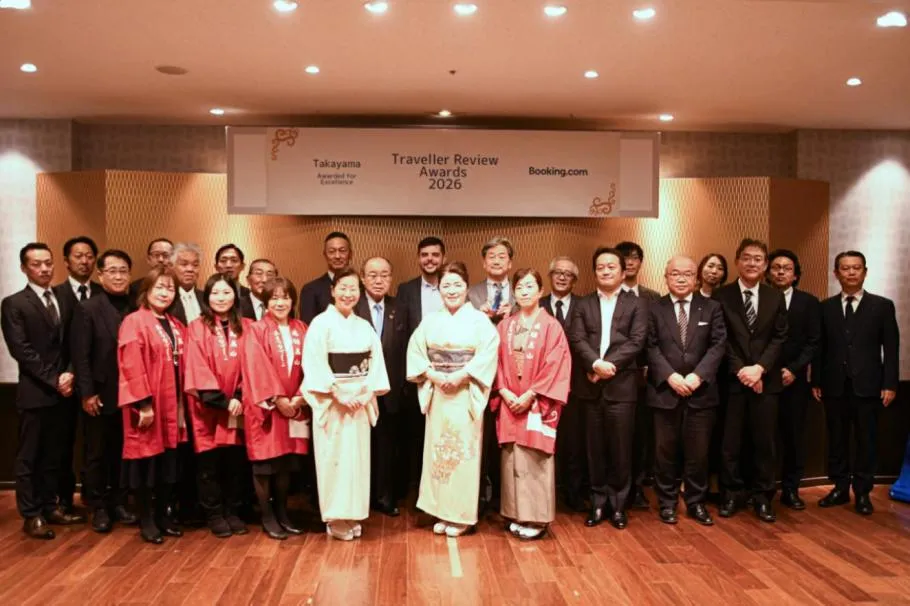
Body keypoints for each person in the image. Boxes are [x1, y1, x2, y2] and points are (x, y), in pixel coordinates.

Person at [407, 262, 500, 537]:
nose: (451, 290)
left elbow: (487, 355)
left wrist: (461, 375)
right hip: (439, 394)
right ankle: (441, 511)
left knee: (462, 454)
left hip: (464, 394)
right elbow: (416, 352)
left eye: (457, 284)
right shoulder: (430, 321)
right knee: (439, 454)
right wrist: (434, 376)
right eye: (446, 285)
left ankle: (461, 515)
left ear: (467, 287)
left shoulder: (480, 322)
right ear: (439, 289)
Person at [1, 243, 84, 539]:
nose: (45, 269)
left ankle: (52, 507)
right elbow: (21, 350)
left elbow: (75, 341)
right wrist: (54, 379)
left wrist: (70, 373)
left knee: (55, 455)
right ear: (24, 268)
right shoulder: (14, 304)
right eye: (37, 264)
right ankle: (31, 514)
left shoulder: (64, 298)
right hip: (36, 392)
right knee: (29, 457)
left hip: (65, 392)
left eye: (48, 263)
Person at [302, 268, 389, 541]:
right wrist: (337, 393)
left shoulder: (363, 326)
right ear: (333, 290)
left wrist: (366, 393)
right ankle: (335, 517)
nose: (348, 294)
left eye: (353, 289)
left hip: (359, 402)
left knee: (357, 461)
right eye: (343, 288)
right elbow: (314, 363)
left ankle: (353, 514)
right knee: (334, 459)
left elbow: (375, 364)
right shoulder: (320, 324)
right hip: (333, 403)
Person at [813, 251, 899, 516]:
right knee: (836, 439)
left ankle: (863, 492)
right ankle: (839, 487)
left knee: (866, 441)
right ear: (836, 273)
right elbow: (819, 348)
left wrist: (890, 383)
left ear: (865, 272)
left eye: (856, 268)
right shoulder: (825, 307)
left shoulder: (882, 306)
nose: (851, 272)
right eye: (845, 268)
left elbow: (891, 348)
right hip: (834, 386)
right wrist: (816, 380)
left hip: (869, 386)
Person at [568, 247, 648, 530]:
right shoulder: (583, 304)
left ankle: (618, 505)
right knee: (594, 450)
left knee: (621, 449)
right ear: (594, 272)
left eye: (611, 267)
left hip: (622, 388)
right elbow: (576, 339)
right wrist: (594, 364)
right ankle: (598, 503)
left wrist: (607, 366)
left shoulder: (637, 304)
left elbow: (637, 340)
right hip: (590, 388)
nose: (605, 271)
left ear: (623, 272)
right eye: (600, 267)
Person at [646, 256, 727, 526]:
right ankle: (667, 503)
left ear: (696, 278)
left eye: (688, 274)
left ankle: (696, 502)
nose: (681, 278)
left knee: (698, 454)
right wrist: (670, 376)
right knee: (664, 453)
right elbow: (650, 346)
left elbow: (718, 345)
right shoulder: (654, 308)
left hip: (700, 393)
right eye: (675, 274)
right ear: (666, 277)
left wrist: (697, 376)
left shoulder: (712, 308)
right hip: (664, 392)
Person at [491, 269, 571, 540]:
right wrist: (503, 390)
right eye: (519, 287)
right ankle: (516, 513)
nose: (524, 292)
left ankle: (536, 519)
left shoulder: (551, 326)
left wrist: (531, 394)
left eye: (529, 287)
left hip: (536, 402)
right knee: (512, 458)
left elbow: (556, 364)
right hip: (510, 400)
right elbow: (496, 362)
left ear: (540, 291)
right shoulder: (505, 325)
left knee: (534, 458)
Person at [714, 238, 787, 523]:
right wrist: (743, 371)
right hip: (732, 381)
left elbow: (779, 337)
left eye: (758, 259)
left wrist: (759, 369)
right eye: (746, 258)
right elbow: (721, 338)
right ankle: (731, 494)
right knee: (730, 443)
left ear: (765, 264)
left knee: (765, 442)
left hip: (766, 382)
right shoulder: (721, 296)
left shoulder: (775, 297)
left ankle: (763, 497)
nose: (752, 263)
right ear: (737, 261)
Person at [70, 249, 138, 533]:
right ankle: (98, 506)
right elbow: (80, 355)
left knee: (124, 451)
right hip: (100, 393)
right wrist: (87, 393)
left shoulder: (137, 305)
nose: (119, 276)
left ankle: (119, 502)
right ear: (100, 275)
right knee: (96, 453)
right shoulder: (88, 308)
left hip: (131, 393)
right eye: (112, 271)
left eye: (123, 271)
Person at [118, 267, 187, 544]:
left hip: (173, 404)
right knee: (146, 463)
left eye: (170, 288)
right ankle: (146, 520)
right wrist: (144, 404)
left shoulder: (175, 324)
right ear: (146, 291)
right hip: (148, 404)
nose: (164, 293)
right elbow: (131, 365)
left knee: (168, 463)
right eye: (159, 287)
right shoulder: (134, 322)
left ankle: (163, 516)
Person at [241, 277, 309, 539]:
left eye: (285, 297)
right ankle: (267, 516)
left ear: (293, 300)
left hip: (296, 407)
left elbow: (312, 364)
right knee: (265, 464)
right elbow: (255, 367)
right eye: (274, 298)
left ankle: (283, 512)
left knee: (286, 463)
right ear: (266, 302)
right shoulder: (256, 330)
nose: (280, 303)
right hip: (267, 408)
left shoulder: (302, 328)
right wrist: (279, 399)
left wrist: (300, 397)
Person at [184, 273, 251, 538]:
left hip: (238, 406)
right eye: (215, 293)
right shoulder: (196, 327)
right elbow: (196, 367)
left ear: (235, 295)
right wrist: (223, 401)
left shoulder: (247, 326)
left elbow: (254, 365)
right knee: (209, 465)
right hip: (208, 408)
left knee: (235, 463)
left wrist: (239, 396)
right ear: (207, 297)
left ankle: (233, 511)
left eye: (226, 292)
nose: (221, 298)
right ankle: (213, 513)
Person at [767, 249, 820, 510]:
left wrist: (793, 370)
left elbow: (813, 342)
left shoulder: (809, 302)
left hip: (794, 382)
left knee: (794, 437)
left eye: (786, 268)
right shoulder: (760, 298)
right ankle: (762, 489)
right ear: (768, 272)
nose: (780, 272)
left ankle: (790, 489)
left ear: (795, 274)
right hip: (763, 379)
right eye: (776, 267)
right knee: (763, 437)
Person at [53, 235, 101, 514]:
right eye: (78, 256)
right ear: (66, 261)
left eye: (89, 256)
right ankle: (63, 498)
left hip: (97, 382)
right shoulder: (55, 295)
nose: (84, 261)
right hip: (62, 383)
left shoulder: (103, 292)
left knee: (96, 444)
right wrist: (66, 373)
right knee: (63, 442)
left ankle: (95, 496)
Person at [395, 236, 446, 499]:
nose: (430, 259)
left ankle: (441, 487)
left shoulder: (452, 286)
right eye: (425, 255)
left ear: (443, 258)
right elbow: (401, 334)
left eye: (435, 255)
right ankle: (417, 490)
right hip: (418, 373)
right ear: (418, 258)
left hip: (449, 375)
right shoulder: (406, 290)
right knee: (415, 434)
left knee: (442, 433)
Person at [467, 236, 515, 514]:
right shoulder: (470, 294)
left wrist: (513, 314)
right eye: (491, 257)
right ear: (484, 263)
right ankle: (480, 495)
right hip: (479, 373)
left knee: (506, 436)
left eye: (502, 256)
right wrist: (478, 317)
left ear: (510, 263)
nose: (496, 261)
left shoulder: (521, 292)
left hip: (512, 375)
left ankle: (503, 495)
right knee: (481, 434)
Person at [355, 257, 406, 517]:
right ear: (363, 278)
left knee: (387, 447)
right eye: (372, 275)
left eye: (384, 275)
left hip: (392, 390)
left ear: (391, 278)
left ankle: (384, 496)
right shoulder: (352, 307)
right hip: (358, 392)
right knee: (360, 446)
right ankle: (360, 498)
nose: (378, 280)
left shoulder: (400, 307)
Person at [539, 256, 588, 512]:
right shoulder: (537, 306)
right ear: (549, 277)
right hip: (543, 386)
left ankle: (574, 493)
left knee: (574, 441)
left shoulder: (585, 305)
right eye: (557, 272)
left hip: (577, 385)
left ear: (574, 280)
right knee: (544, 439)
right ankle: (546, 493)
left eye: (567, 274)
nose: (561, 277)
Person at [616, 241, 661, 511]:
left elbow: (658, 336)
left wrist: (650, 366)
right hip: (616, 375)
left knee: (641, 435)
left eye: (634, 257)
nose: (630, 262)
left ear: (640, 263)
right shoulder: (606, 296)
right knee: (618, 436)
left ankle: (638, 487)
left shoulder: (653, 297)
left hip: (645, 376)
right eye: (625, 258)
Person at [299, 232, 354, 324]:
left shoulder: (361, 287)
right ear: (325, 255)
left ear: (350, 254)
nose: (337, 256)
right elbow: (308, 326)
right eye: (332, 251)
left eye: (342, 251)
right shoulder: (310, 289)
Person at [129, 238, 174, 306]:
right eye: (156, 255)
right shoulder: (135, 287)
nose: (161, 259)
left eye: (165, 255)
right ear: (148, 259)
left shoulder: (180, 285)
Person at [170, 242, 204, 326]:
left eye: (195, 265)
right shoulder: (167, 298)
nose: (190, 269)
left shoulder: (206, 298)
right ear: (172, 266)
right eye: (184, 264)